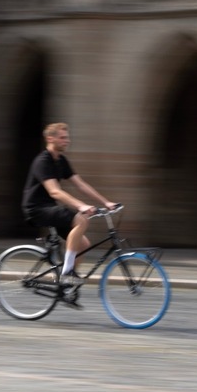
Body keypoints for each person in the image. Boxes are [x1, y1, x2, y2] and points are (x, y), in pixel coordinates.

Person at [21, 122, 118, 291]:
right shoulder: (42, 161)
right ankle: (67, 273)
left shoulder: (61, 160)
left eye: (67, 137)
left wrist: (106, 202)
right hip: (36, 208)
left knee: (83, 244)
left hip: (49, 208)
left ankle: (64, 284)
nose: (67, 140)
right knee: (81, 220)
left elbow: (81, 185)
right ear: (50, 138)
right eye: (63, 137)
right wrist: (81, 205)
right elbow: (55, 192)